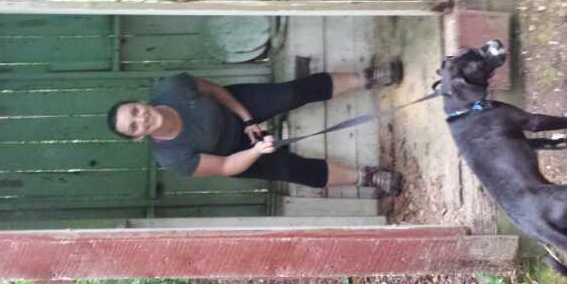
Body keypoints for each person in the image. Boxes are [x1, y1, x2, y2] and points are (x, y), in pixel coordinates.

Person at [106, 63, 404, 196]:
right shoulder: (171, 158)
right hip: (233, 153)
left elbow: (213, 90)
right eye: (134, 125)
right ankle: (366, 177)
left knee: (291, 93)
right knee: (291, 170)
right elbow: (223, 166)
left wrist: (247, 118)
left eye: (134, 111)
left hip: (233, 107)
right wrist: (256, 150)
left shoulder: (170, 87)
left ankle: (366, 78)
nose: (140, 118)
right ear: (138, 136)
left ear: (139, 102)